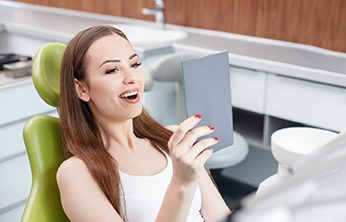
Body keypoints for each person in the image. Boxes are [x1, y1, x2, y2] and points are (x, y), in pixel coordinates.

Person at [57, 25, 231, 222]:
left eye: (134, 64)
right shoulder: (76, 173)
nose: (132, 78)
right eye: (112, 70)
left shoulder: (171, 138)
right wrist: (181, 183)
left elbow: (221, 216)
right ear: (81, 89)